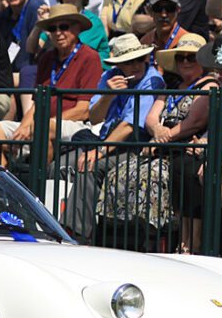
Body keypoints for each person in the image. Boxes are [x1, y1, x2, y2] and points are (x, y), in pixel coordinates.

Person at [97, 35, 216, 252]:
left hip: (184, 144)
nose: (185, 62)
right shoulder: (171, 84)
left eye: (191, 57)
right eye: (180, 58)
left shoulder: (208, 86)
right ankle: (131, 236)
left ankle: (168, 239)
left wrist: (165, 138)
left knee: (153, 176)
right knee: (121, 172)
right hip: (161, 142)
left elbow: (194, 123)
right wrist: (158, 131)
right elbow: (151, 117)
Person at [59, 34, 166, 243]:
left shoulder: (152, 80)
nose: (136, 65)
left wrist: (99, 151)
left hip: (134, 146)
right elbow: (94, 116)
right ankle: (52, 228)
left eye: (139, 59)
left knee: (89, 168)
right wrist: (108, 94)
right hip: (107, 141)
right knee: (59, 166)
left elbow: (129, 126)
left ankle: (77, 236)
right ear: (119, 64)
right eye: (129, 61)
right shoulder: (110, 76)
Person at [0, 4, 101, 167]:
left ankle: (40, 180)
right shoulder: (47, 58)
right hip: (41, 123)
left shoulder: (90, 57)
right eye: (52, 28)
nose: (58, 32)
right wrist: (23, 127)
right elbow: (37, 103)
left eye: (64, 27)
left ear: (77, 28)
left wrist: (36, 125)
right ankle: (9, 177)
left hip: (74, 125)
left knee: (42, 129)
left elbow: (83, 110)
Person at [30, 0, 109, 64]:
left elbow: (72, 50)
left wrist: (50, 32)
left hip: (91, 67)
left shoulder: (92, 22)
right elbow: (32, 49)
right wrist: (40, 23)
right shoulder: (58, 18)